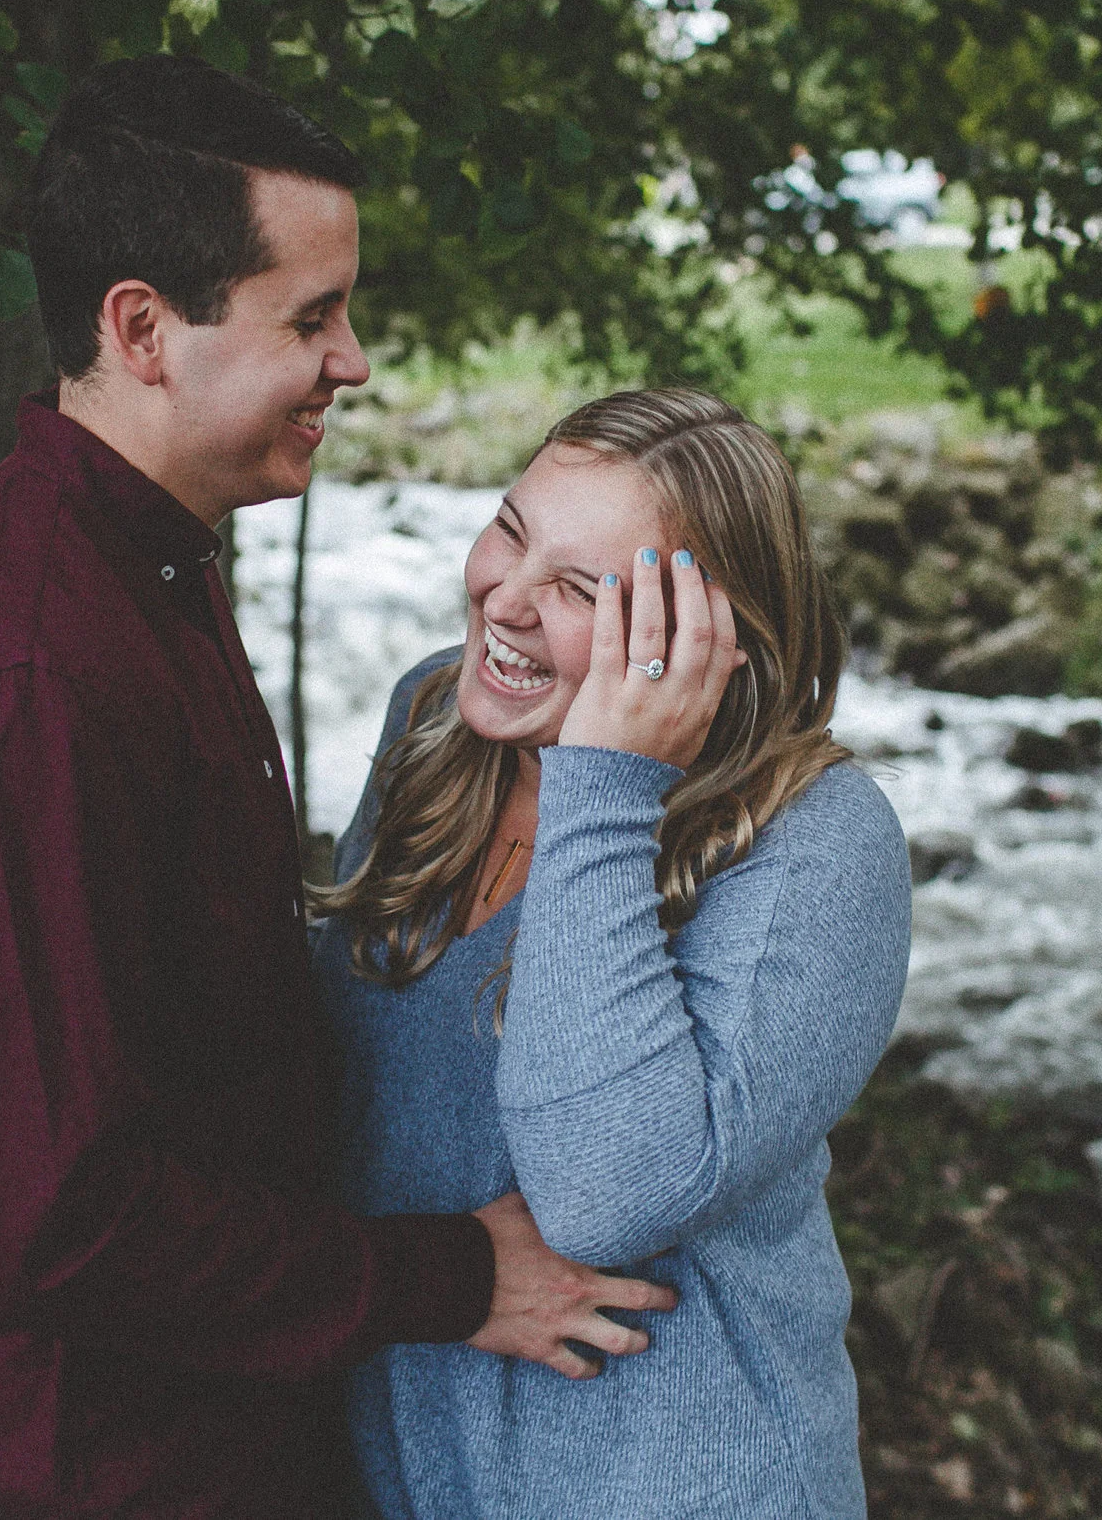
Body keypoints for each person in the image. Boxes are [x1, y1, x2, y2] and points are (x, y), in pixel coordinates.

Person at [0, 57, 673, 1520]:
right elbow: (65, 1216)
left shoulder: (147, 569)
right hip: (86, 1464)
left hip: (220, 1432)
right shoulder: (12, 687)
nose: (354, 361)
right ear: (143, 327)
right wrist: (455, 1274)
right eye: (312, 316)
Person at [312, 387, 913, 1519]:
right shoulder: (434, 723)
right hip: (413, 1469)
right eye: (509, 529)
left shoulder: (819, 843)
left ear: (705, 638)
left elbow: (604, 1193)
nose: (504, 597)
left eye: (583, 589)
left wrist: (605, 780)